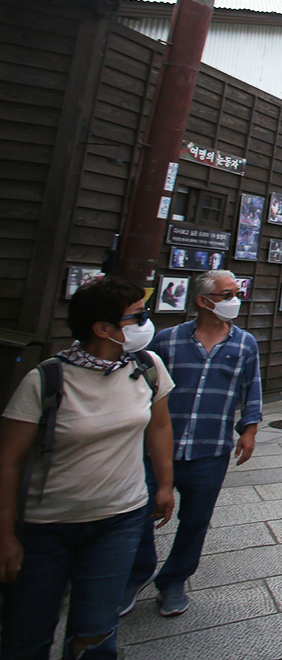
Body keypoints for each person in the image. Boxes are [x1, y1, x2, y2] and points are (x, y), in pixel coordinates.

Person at [0, 276, 175, 660]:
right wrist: (6, 534)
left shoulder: (147, 367)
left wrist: (165, 484)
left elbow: (160, 426)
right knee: (26, 631)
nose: (146, 322)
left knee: (96, 630)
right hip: (46, 525)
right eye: (136, 316)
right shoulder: (46, 379)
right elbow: (9, 461)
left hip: (120, 516)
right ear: (103, 328)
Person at [122, 269, 262, 617]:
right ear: (202, 301)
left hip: (210, 447)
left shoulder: (244, 343)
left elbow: (252, 389)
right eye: (226, 295)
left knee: (195, 520)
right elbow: (141, 384)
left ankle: (174, 580)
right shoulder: (167, 340)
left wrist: (249, 430)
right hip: (158, 447)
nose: (234, 301)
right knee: (139, 513)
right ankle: (137, 573)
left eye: (236, 294)